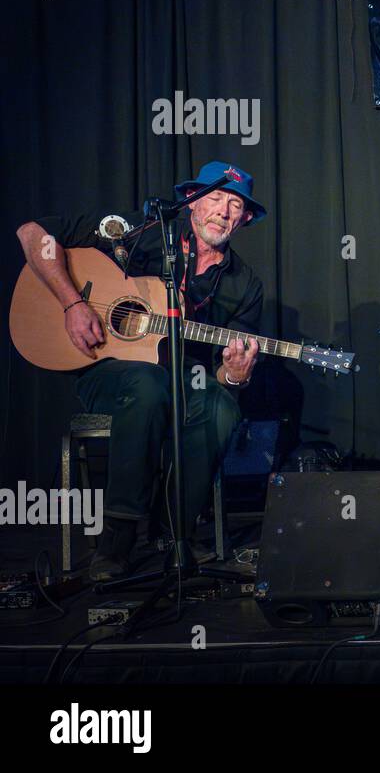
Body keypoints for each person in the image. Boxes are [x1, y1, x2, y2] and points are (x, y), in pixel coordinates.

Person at [15, 161, 266, 580]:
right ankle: (118, 539)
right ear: (192, 202)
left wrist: (235, 374)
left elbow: (225, 376)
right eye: (215, 197)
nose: (223, 210)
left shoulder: (244, 283)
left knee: (222, 408)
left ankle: (175, 533)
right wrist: (73, 303)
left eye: (235, 204)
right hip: (106, 367)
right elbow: (32, 233)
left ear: (245, 219)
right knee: (147, 384)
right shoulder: (141, 231)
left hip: (185, 378)